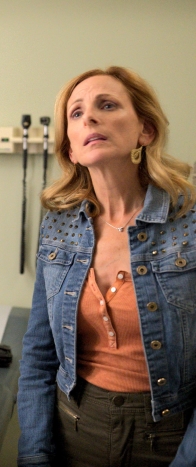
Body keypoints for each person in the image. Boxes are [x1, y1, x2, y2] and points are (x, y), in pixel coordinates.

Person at [17, 66, 196, 466]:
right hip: (74, 431)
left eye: (108, 105)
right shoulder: (59, 225)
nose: (90, 118)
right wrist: (34, 454)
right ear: (71, 149)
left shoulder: (189, 221)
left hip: (170, 439)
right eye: (76, 113)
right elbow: (39, 355)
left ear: (145, 131)